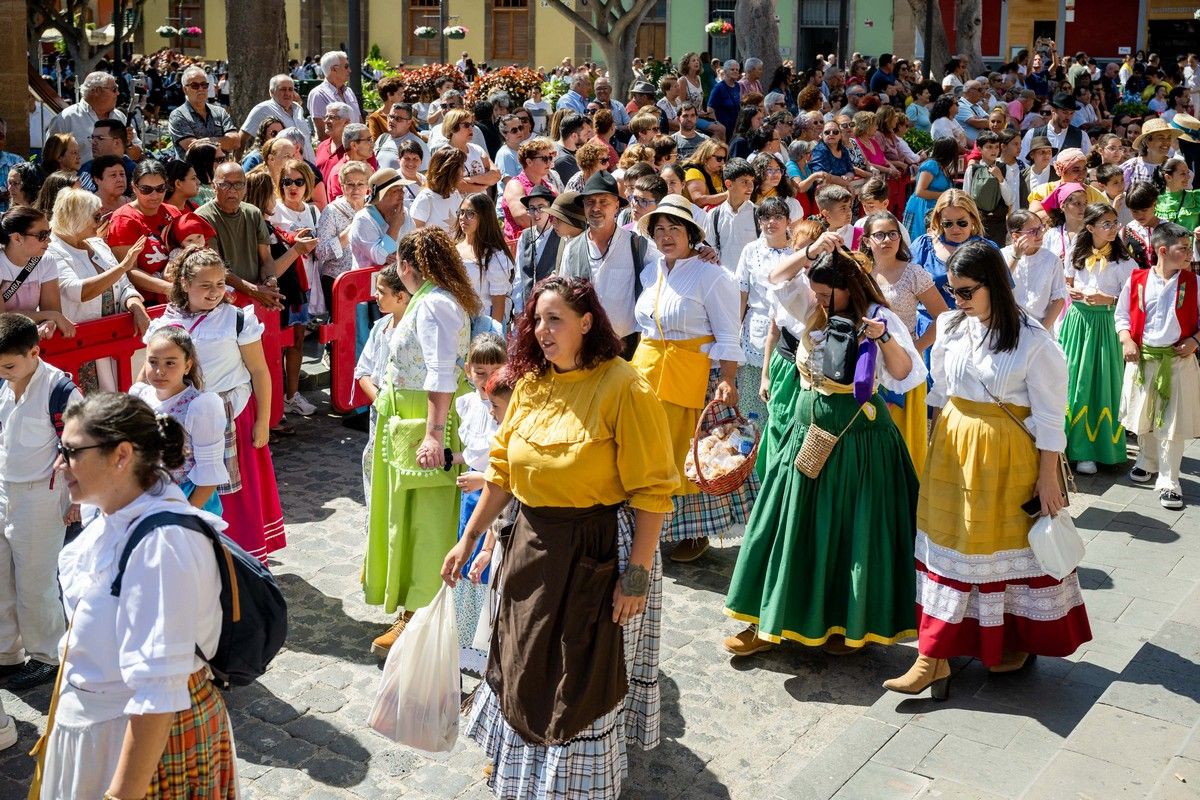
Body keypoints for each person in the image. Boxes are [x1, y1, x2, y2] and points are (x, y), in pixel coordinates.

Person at [443, 274, 675, 800]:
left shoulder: (623, 385)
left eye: (556, 320)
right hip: (532, 544)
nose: (542, 331)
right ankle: (524, 783)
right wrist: (472, 538)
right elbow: (502, 472)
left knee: (577, 680)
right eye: (537, 319)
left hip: (599, 549)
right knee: (524, 666)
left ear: (587, 322)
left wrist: (634, 576)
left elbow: (653, 492)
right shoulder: (529, 384)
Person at [884, 241, 1090, 697]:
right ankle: (932, 655)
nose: (957, 300)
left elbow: (1052, 415)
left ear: (995, 284)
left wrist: (1048, 475)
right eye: (952, 290)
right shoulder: (951, 325)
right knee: (948, 547)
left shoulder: (1034, 340)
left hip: (1007, 455)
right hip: (953, 450)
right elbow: (939, 391)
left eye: (966, 291)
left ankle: (1007, 640)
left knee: (1000, 549)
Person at [723, 237, 927, 657]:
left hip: (859, 440)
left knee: (851, 529)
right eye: (814, 291)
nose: (816, 298)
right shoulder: (812, 311)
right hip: (805, 432)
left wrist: (883, 338)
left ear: (849, 287)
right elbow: (776, 278)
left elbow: (907, 373)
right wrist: (813, 249)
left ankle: (848, 623)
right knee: (783, 522)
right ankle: (764, 619)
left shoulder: (877, 314)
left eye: (824, 291)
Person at [40, 391, 237, 798]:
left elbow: (158, 693)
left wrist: (119, 794)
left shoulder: (162, 545)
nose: (60, 464)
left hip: (138, 747)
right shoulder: (110, 517)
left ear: (121, 455)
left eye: (71, 451)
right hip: (98, 730)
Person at [365, 227, 479, 657]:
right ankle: (415, 608)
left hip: (425, 414)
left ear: (407, 266)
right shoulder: (435, 298)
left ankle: (423, 612)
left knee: (427, 518)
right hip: (409, 411)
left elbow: (440, 371)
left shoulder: (433, 303)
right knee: (409, 514)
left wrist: (433, 433)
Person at [630, 194, 753, 563]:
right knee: (653, 451)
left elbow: (730, 333)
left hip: (693, 374)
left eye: (675, 228)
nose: (667, 235)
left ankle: (695, 532)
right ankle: (654, 529)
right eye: (660, 229)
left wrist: (728, 377)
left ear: (691, 233)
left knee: (692, 454)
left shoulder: (713, 276)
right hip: (649, 371)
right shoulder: (651, 271)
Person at [146, 246, 284, 561]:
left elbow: (259, 371)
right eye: (205, 285)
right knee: (190, 479)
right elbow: (149, 372)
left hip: (232, 412)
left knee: (234, 489)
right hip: (181, 416)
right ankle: (198, 550)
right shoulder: (166, 323)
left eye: (220, 284)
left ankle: (242, 553)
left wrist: (263, 421)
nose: (214, 292)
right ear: (184, 284)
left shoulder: (236, 320)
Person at [0, 313, 80, 691]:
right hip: (3, 490)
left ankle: (48, 655)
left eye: (10, 366)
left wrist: (77, 499)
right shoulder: (4, 382)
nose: (4, 372)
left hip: (41, 495)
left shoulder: (60, 391)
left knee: (35, 582)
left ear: (35, 352)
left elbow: (79, 447)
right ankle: (6, 653)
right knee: (1, 579)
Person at [1118, 222, 1200, 510]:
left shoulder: (1194, 283)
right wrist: (1127, 340)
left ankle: (1169, 479)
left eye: (1190, 248)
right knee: (1143, 413)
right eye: (1183, 249)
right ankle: (1147, 459)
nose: (1189, 254)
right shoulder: (1137, 279)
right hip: (1144, 359)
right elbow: (1122, 318)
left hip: (1178, 361)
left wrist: (1195, 340)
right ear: (1163, 250)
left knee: (1172, 422)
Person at [861, 211, 949, 474]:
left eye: (892, 234)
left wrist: (917, 348)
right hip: (866, 364)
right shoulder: (859, 272)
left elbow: (943, 316)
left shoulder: (913, 274)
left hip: (904, 368)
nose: (887, 239)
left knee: (904, 439)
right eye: (879, 234)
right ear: (867, 240)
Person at [48, 189, 149, 392]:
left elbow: (124, 285)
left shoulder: (98, 244)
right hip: (82, 345)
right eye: (95, 216)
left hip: (115, 343)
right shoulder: (51, 252)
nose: (101, 221)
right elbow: (78, 292)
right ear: (76, 218)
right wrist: (123, 266)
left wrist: (136, 306)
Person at [1062, 203, 1135, 474]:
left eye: (1115, 222)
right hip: (1077, 323)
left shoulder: (1125, 262)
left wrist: (1110, 300)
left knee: (1102, 382)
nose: (1113, 228)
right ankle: (1068, 446)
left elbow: (1134, 302)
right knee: (1074, 382)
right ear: (1090, 227)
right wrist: (1072, 291)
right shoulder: (1075, 252)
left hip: (1106, 324)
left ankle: (1096, 449)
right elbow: (1066, 281)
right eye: (1106, 223)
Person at [129, 326, 228, 514]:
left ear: (187, 365)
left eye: (170, 363)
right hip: (146, 500)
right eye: (153, 362)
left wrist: (185, 515)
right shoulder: (140, 397)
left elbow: (209, 474)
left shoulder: (200, 406)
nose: (160, 371)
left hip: (186, 500)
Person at [559, 171, 653, 356]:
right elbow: (564, 298)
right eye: (590, 202)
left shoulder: (638, 245)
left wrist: (702, 252)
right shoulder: (572, 248)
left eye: (604, 202)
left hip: (628, 349)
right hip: (585, 347)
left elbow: (670, 268)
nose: (596, 208)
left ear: (616, 206)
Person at [734, 197, 793, 425]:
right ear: (759, 222)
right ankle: (754, 453)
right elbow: (742, 294)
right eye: (766, 217)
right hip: (756, 327)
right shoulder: (751, 251)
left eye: (778, 216)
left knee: (783, 395)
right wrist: (734, 333)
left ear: (788, 221)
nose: (772, 222)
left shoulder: (796, 251)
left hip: (789, 329)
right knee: (753, 399)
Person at [195, 162, 285, 309]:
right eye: (225, 185)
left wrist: (270, 281)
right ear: (214, 186)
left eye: (238, 185)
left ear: (245, 188)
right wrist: (254, 290)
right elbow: (216, 267)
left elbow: (266, 258)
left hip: (254, 296)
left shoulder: (253, 213)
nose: (232, 191)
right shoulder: (202, 217)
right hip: (220, 301)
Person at [910, 190, 996, 330]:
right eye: (948, 224)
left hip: (975, 327)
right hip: (931, 328)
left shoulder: (987, 249)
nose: (955, 229)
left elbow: (1002, 291)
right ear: (939, 221)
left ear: (973, 219)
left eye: (962, 223)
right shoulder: (923, 245)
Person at [105, 160, 182, 303]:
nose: (154, 195)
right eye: (146, 189)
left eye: (160, 188)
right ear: (134, 187)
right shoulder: (124, 219)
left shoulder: (173, 212)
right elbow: (128, 270)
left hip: (180, 294)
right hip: (146, 301)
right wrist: (171, 289)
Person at [0, 205, 74, 339]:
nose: (49, 240)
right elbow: (2, 319)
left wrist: (49, 322)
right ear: (17, 238)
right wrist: (51, 316)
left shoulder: (46, 260)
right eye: (42, 235)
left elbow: (51, 310)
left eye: (49, 233)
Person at [46, 71, 143, 163]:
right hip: (77, 179)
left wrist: (128, 144)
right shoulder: (66, 119)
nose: (118, 93)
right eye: (114, 89)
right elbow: (50, 158)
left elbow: (137, 155)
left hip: (115, 178)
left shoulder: (120, 117)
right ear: (97, 91)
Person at [314, 160, 371, 310]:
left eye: (360, 184)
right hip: (338, 280)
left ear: (368, 187)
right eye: (350, 184)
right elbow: (320, 252)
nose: (355, 189)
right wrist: (345, 236)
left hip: (366, 279)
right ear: (342, 186)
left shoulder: (372, 209)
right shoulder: (332, 211)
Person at [1000, 210, 1068, 329]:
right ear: (1016, 236)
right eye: (1033, 231)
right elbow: (998, 286)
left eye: (1041, 228)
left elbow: (1059, 298)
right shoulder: (1002, 255)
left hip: (1040, 327)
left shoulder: (1052, 260)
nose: (1040, 233)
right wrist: (1016, 256)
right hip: (1009, 327)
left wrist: (1042, 330)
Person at [452, 192, 513, 324]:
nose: (463, 218)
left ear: (484, 217)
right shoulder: (453, 248)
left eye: (470, 213)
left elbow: (498, 302)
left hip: (482, 325)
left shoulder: (495, 256)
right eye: (461, 212)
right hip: (456, 323)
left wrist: (493, 335)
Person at [167, 65, 239, 159]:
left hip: (220, 172)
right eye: (195, 85)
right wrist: (224, 142)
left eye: (204, 85)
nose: (201, 89)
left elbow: (235, 141)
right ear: (185, 89)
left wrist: (210, 141)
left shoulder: (220, 112)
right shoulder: (178, 115)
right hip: (194, 172)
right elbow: (194, 149)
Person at [241, 73, 316, 161]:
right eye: (283, 89)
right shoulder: (262, 109)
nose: (287, 93)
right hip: (285, 170)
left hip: (309, 168)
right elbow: (242, 139)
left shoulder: (298, 109)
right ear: (272, 92)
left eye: (290, 89)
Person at [511, 186, 562, 316]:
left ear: (550, 209)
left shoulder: (561, 236)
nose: (536, 213)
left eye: (541, 207)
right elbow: (519, 275)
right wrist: (517, 309)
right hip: (528, 306)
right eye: (532, 208)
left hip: (552, 307)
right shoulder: (525, 236)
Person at [704, 157, 759, 271]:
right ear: (729, 184)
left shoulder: (759, 214)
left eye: (752, 181)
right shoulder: (714, 215)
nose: (750, 187)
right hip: (724, 281)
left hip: (752, 283)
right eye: (745, 182)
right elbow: (709, 250)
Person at [500, 137, 560, 241]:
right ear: (529, 161)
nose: (549, 162)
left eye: (550, 158)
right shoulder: (515, 185)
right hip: (521, 246)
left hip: (547, 242)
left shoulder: (550, 187)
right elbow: (522, 218)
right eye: (544, 158)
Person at [963, 131, 1014, 245]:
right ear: (980, 149)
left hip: (998, 223)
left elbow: (1009, 200)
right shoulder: (972, 170)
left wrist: (1000, 178)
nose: (994, 150)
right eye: (989, 147)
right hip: (978, 221)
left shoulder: (1006, 169)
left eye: (996, 147)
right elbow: (966, 197)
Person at [308, 51, 362, 137]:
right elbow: (323, 134)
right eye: (346, 66)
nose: (350, 70)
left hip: (356, 148)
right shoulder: (318, 94)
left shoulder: (349, 91)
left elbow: (359, 123)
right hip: (336, 149)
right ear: (334, 69)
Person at [410, 148, 466, 231]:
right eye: (461, 167)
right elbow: (414, 237)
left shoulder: (455, 194)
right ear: (449, 172)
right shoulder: (425, 199)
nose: (464, 171)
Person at [682, 139, 730, 208]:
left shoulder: (720, 173)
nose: (722, 162)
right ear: (706, 157)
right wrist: (728, 194)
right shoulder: (694, 172)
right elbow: (698, 201)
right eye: (719, 158)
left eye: (724, 159)